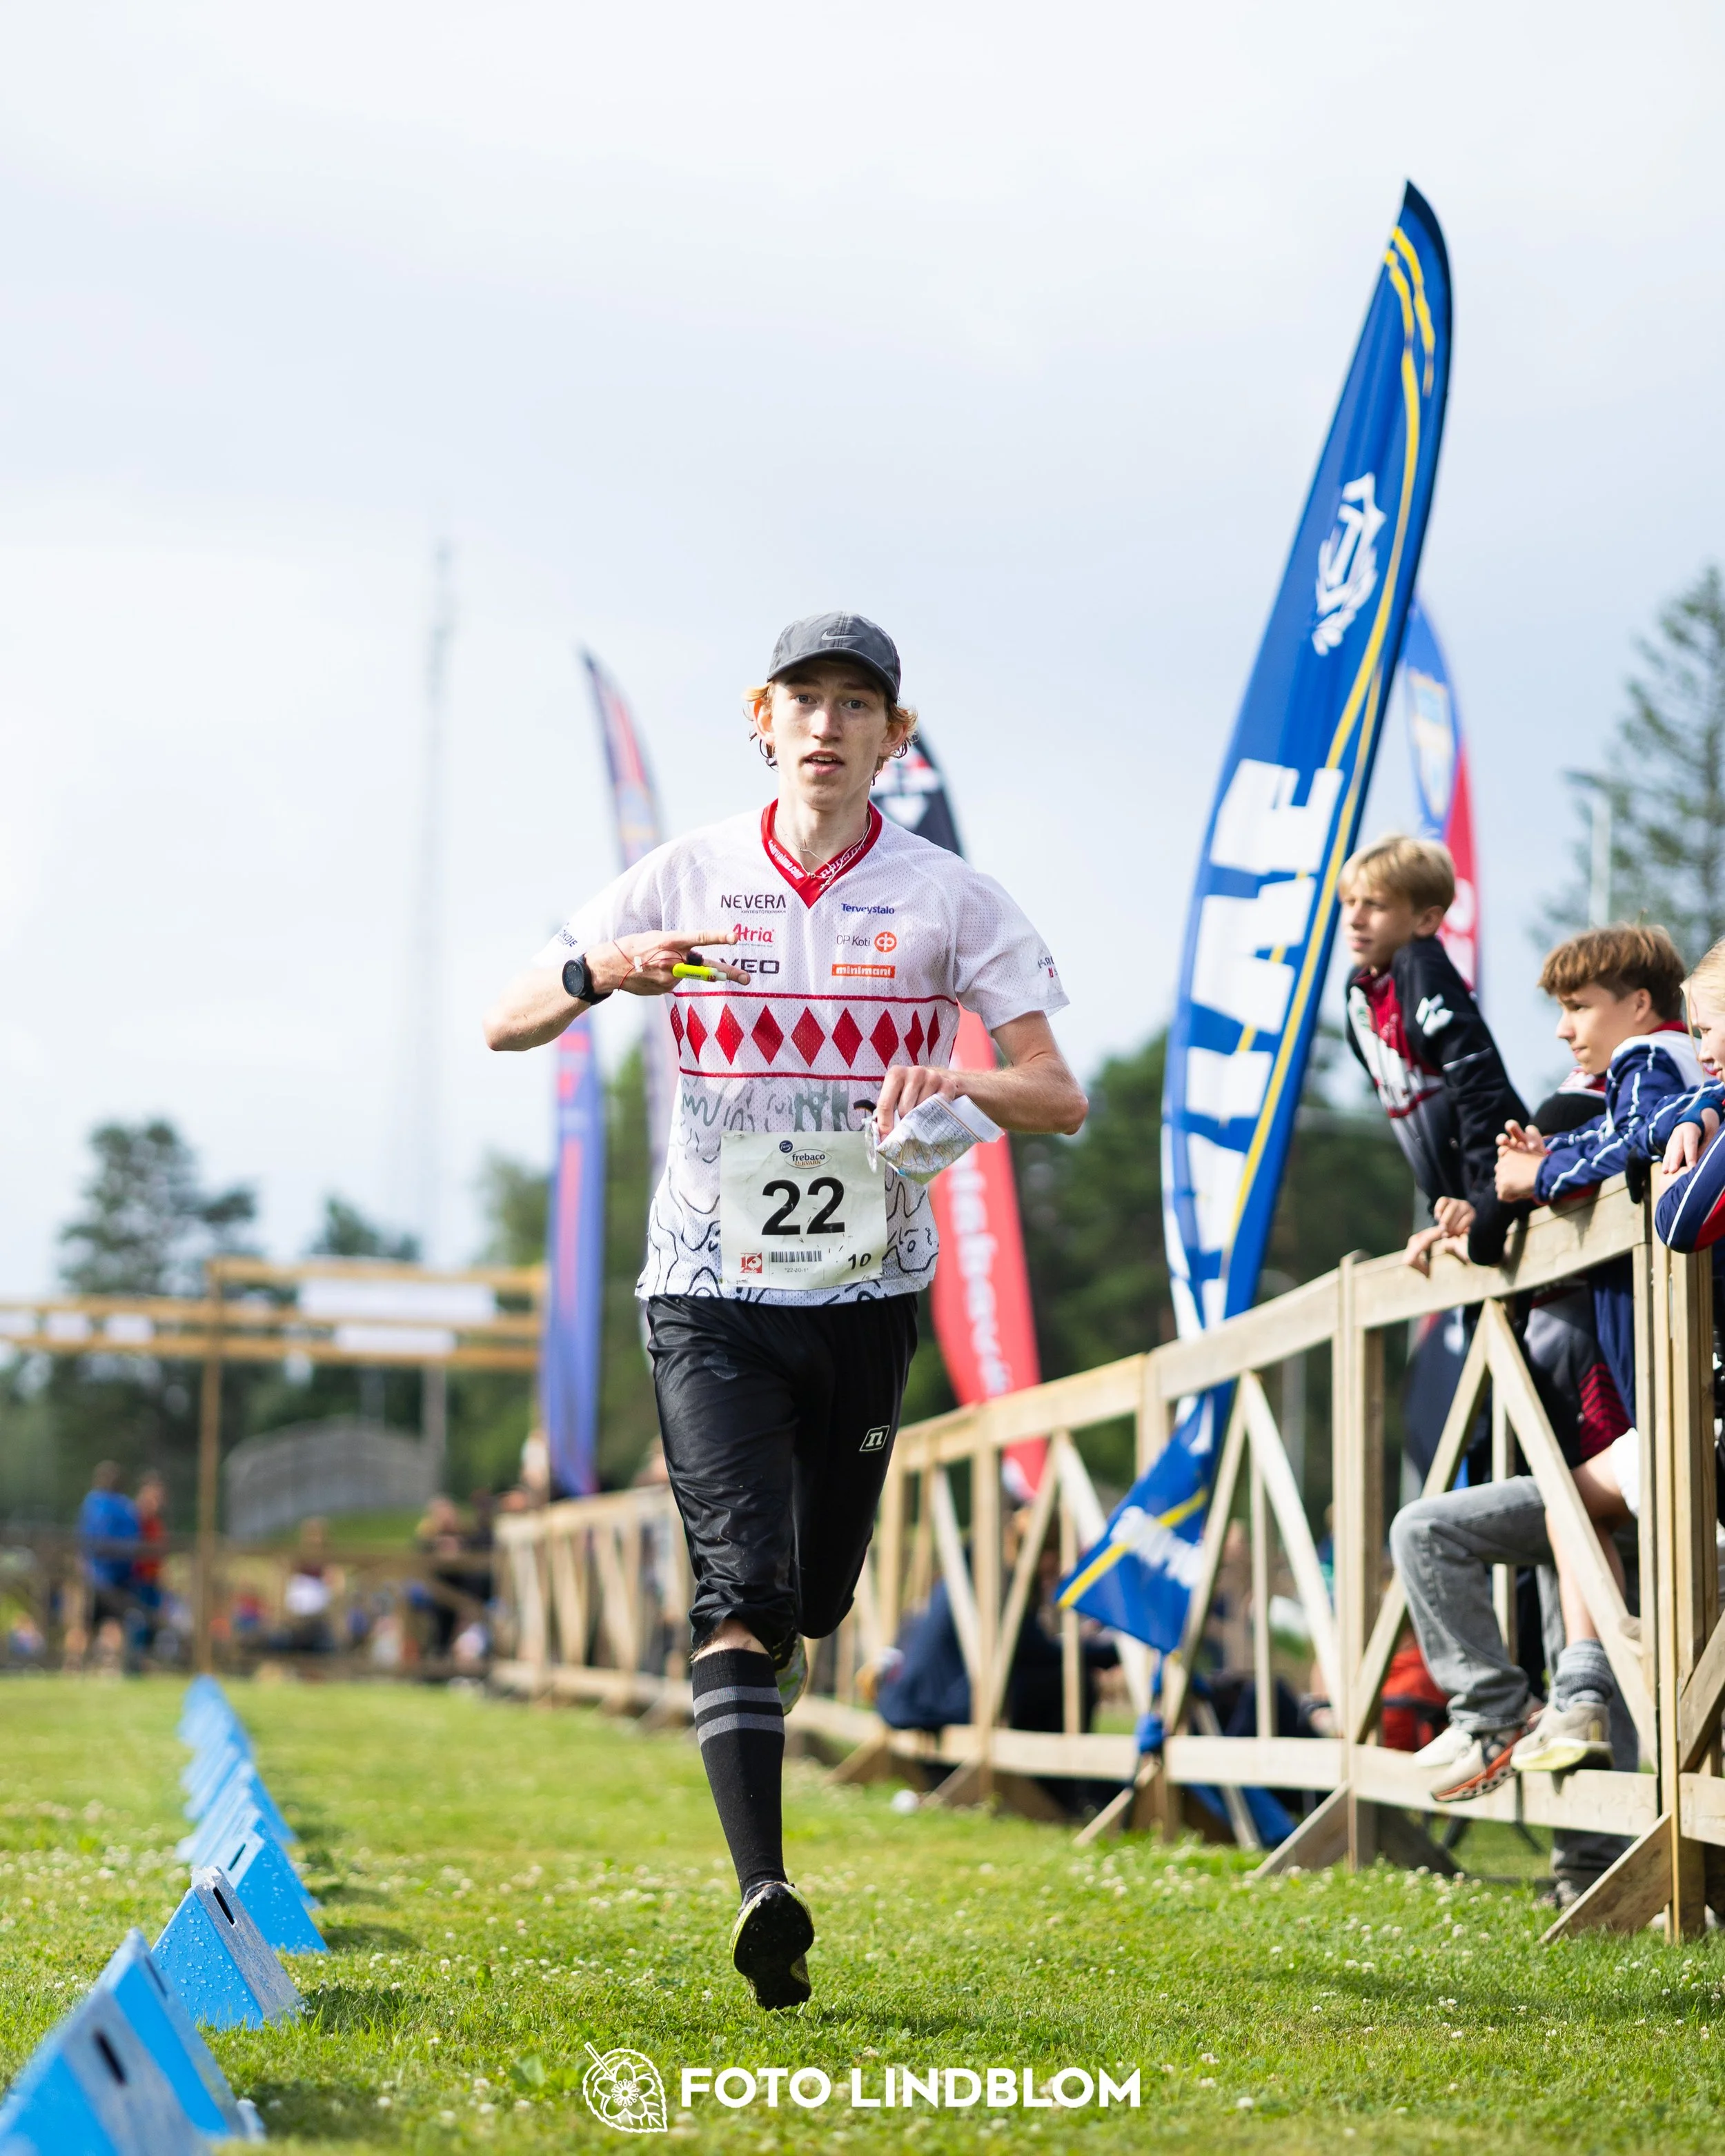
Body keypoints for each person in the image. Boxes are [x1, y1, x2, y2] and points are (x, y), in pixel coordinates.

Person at [483, 611, 1085, 2010]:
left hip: (867, 1293)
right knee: (740, 1590)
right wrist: (596, 974)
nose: (825, 725)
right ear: (762, 718)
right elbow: (506, 1015)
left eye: (855, 704)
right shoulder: (683, 874)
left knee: (814, 1593)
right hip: (706, 1289)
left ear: (894, 735)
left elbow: (1059, 1095)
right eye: (802, 700)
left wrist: (960, 1083)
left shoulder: (949, 899)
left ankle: (775, 1673)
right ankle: (764, 1891)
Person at [1339, 834, 1526, 1272]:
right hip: (1462, 1208)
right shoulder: (1359, 996)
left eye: (1375, 905)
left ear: (1425, 920)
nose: (1355, 919)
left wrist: (1481, 1200)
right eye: (1349, 902)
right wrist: (1446, 1208)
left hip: (1505, 1196)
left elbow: (1478, 1087)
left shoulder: (1421, 967)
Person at [76, 1462, 139, 1638]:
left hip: (106, 1575)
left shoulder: (100, 1503)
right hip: (108, 1575)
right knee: (101, 1623)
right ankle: (80, 1660)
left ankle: (82, 1661)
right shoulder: (123, 1506)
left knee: (98, 1624)